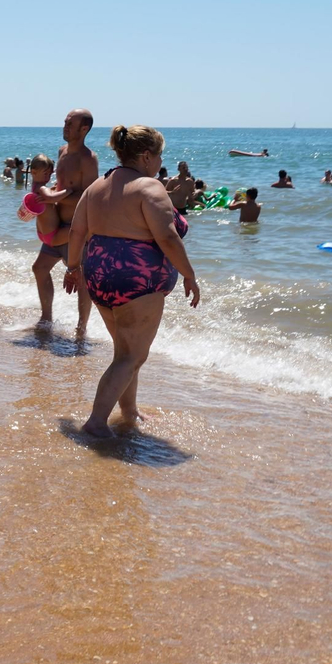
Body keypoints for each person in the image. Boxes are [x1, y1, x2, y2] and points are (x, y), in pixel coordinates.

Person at [63, 125, 199, 438]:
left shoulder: (96, 187)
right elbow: (166, 235)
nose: (160, 161)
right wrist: (189, 275)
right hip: (137, 281)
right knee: (132, 355)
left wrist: (72, 267)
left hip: (98, 275)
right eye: (159, 155)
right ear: (146, 155)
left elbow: (77, 232)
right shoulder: (149, 188)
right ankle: (96, 423)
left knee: (124, 350)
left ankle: (128, 411)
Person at [41, 108, 100, 337]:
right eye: (65, 122)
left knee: (82, 280)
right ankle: (46, 319)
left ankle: (81, 328)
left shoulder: (88, 159)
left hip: (76, 230)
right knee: (39, 269)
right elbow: (59, 185)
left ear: (84, 129)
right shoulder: (62, 151)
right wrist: (44, 198)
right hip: (56, 224)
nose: (65, 127)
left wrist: (55, 196)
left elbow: (89, 197)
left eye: (70, 124)